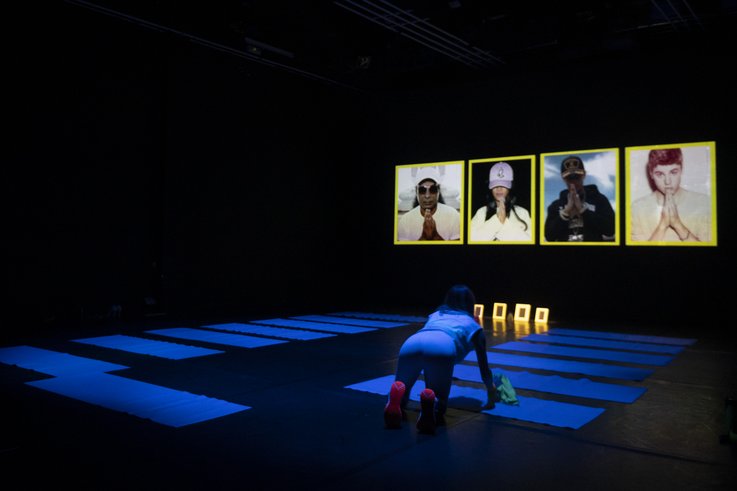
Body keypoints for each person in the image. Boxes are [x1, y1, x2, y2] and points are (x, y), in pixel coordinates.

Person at [383, 285, 497, 434]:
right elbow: (484, 368)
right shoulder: (473, 326)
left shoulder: (436, 315)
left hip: (412, 342)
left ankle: (397, 399)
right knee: (439, 402)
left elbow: (429, 335)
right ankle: (431, 406)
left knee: (402, 388)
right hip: (442, 346)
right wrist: (491, 389)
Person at [630, 148, 711, 242]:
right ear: (651, 173)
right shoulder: (637, 208)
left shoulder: (703, 202)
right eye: (660, 174)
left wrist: (677, 224)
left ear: (681, 170)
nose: (667, 181)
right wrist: (662, 225)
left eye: (673, 172)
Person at [544, 155, 615, 242]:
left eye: (577, 177)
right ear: (563, 178)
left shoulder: (599, 199)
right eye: (569, 178)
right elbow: (549, 237)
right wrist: (566, 212)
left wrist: (583, 210)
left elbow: (610, 230)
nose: (574, 182)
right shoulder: (555, 205)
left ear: (584, 175)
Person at [470, 162, 531, 241]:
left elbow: (530, 240)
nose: (499, 188)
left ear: (510, 187)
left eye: (503, 185)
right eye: (495, 185)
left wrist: (504, 222)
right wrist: (496, 221)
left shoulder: (522, 213)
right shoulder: (481, 212)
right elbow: (471, 239)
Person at [396, 167, 461, 241]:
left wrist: (435, 235)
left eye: (433, 189)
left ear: (438, 192)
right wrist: (423, 238)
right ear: (416, 192)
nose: (427, 195)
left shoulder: (453, 215)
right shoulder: (405, 220)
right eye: (422, 190)